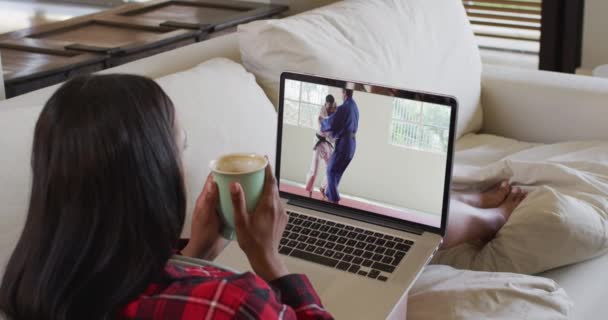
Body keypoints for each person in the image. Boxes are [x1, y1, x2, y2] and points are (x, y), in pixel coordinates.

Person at [0, 75, 333, 320]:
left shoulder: (27, 290)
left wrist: (195, 253)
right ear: (153, 173)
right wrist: (269, 260)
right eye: (180, 146)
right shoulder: (231, 303)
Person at [320, 88, 359, 203]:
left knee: (331, 171)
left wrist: (323, 122)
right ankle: (328, 195)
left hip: (344, 144)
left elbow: (332, 122)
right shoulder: (355, 107)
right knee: (337, 173)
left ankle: (334, 200)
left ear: (344, 93)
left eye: (342, 92)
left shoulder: (344, 108)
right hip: (352, 144)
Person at [305, 94, 337, 198]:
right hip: (318, 143)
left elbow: (332, 133)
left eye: (332, 106)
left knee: (331, 168)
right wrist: (333, 117)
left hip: (326, 143)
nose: (330, 107)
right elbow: (325, 128)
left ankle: (323, 187)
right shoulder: (320, 114)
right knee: (314, 170)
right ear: (326, 103)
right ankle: (309, 191)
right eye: (329, 105)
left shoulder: (333, 110)